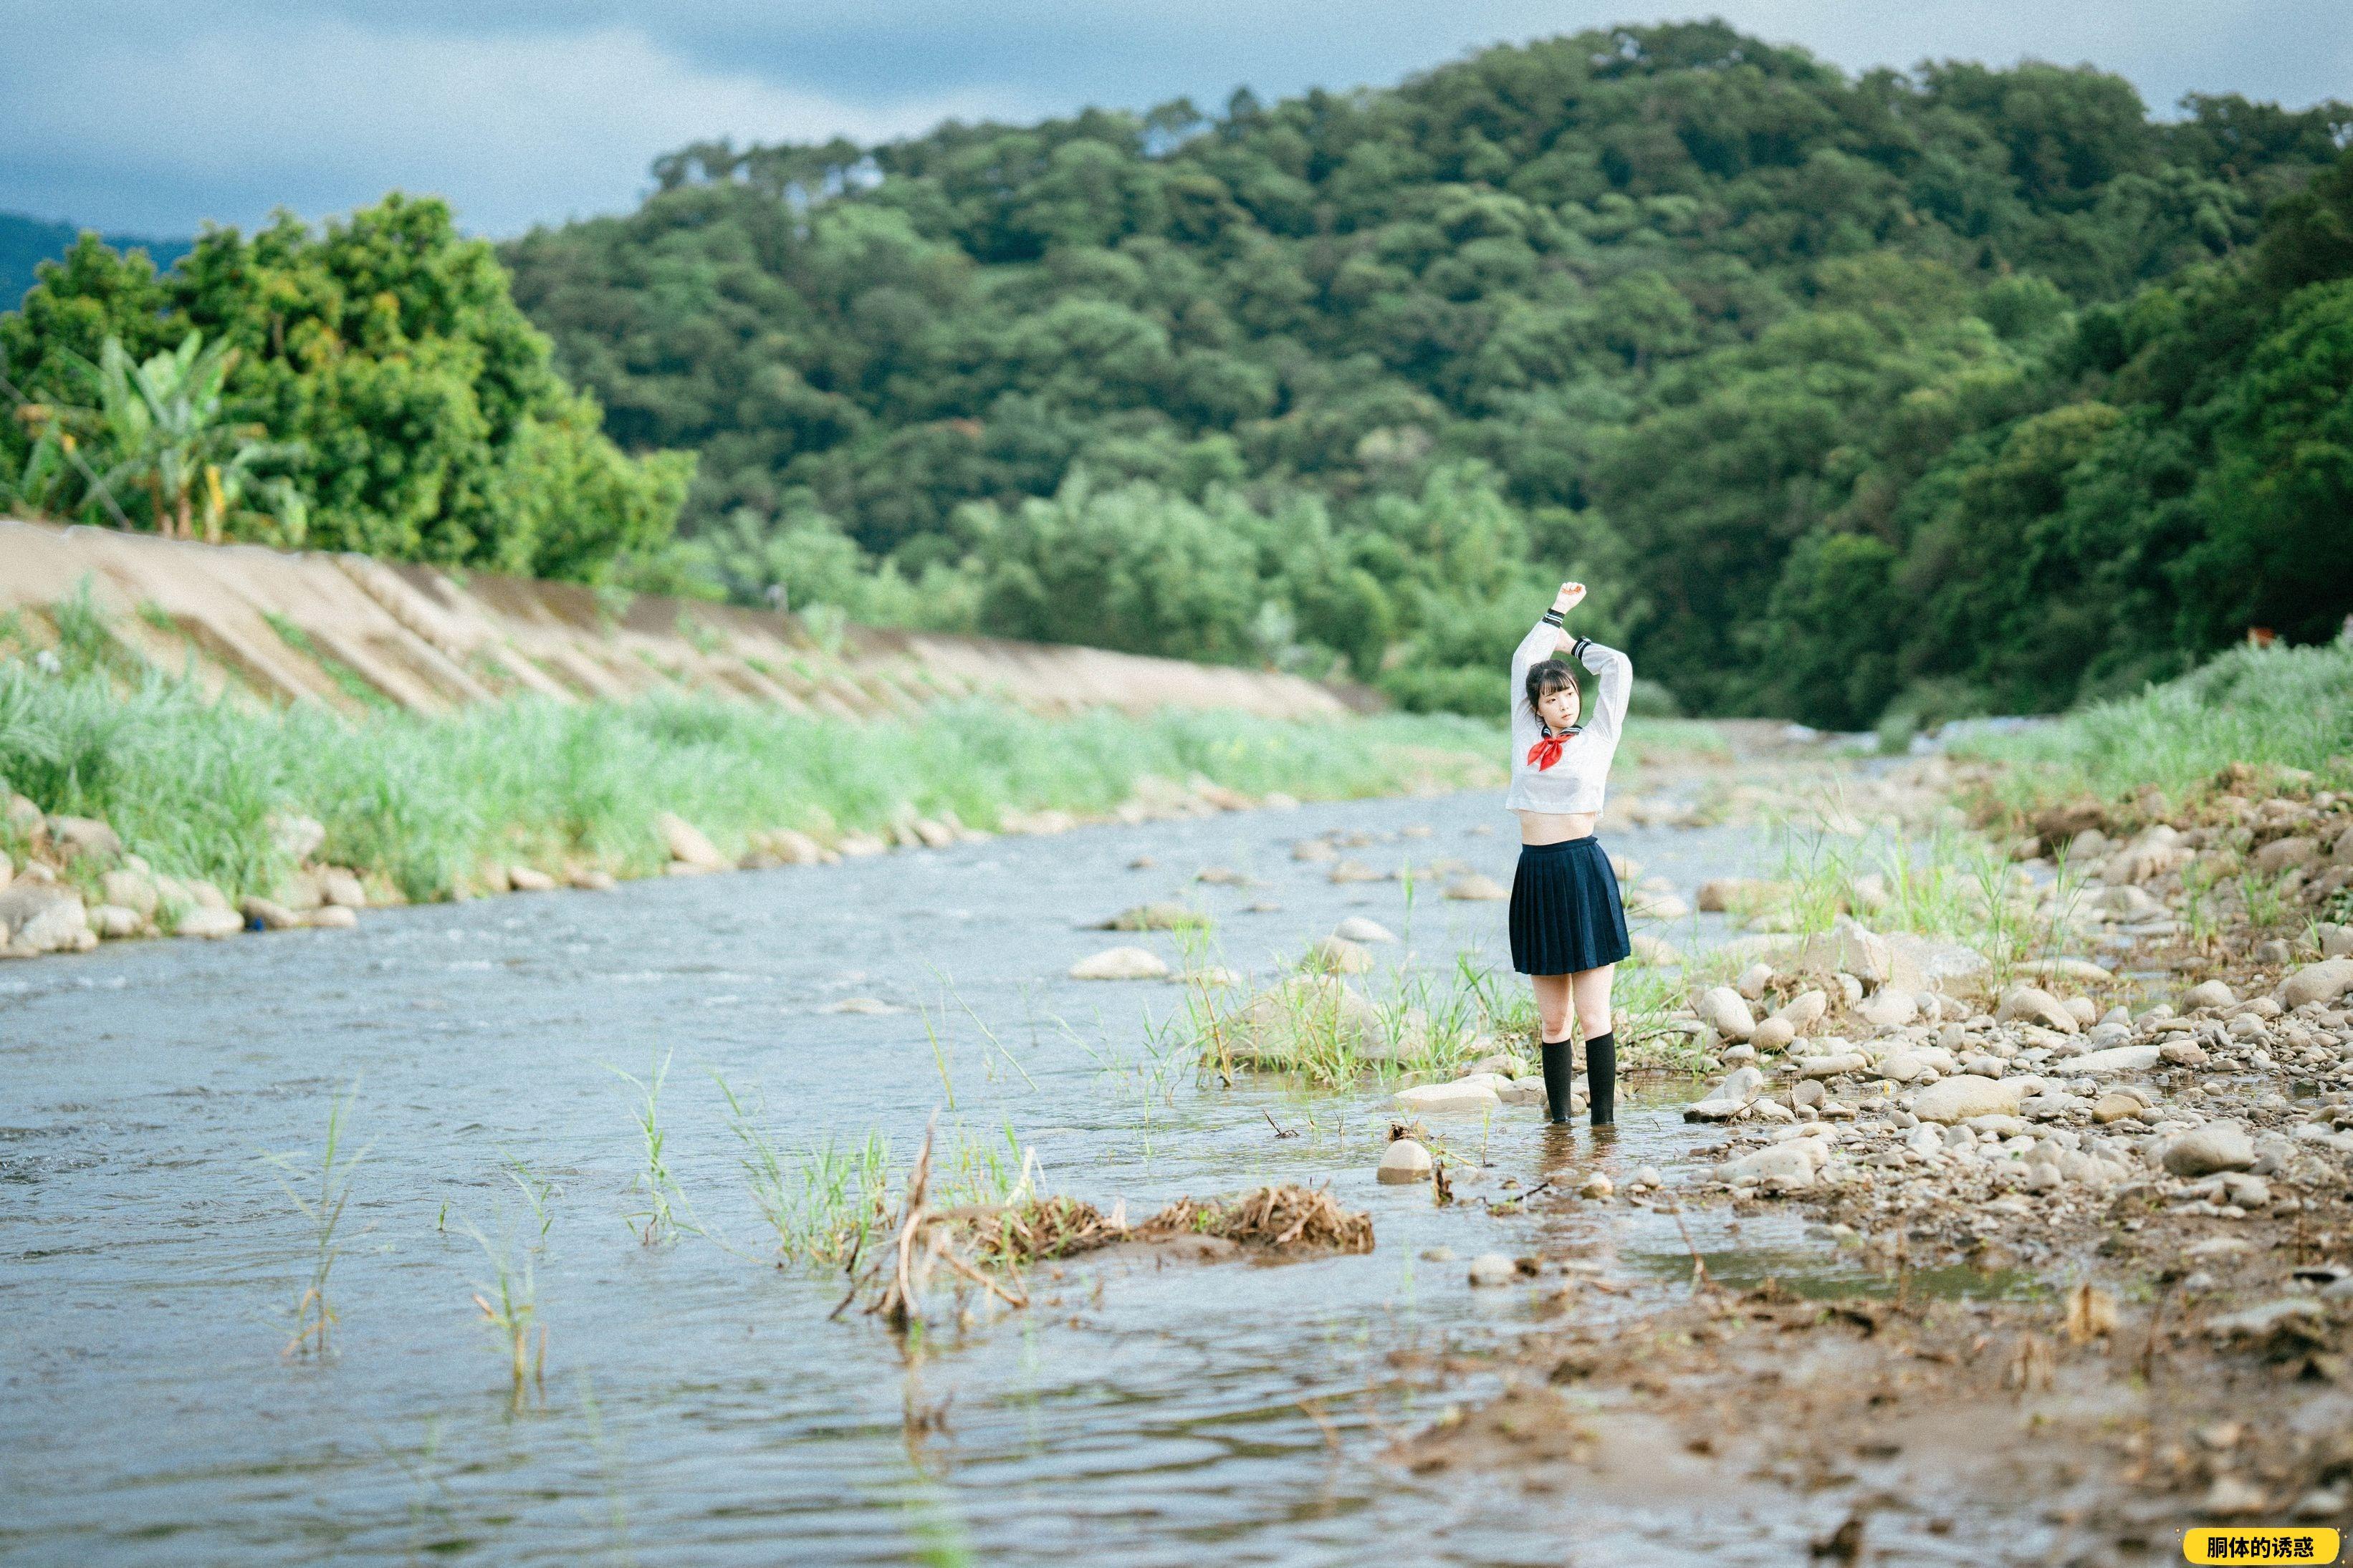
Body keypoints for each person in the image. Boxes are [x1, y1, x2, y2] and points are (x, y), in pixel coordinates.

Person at [1505, 580, 1634, 1127]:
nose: (1562, 702)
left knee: (1593, 1014)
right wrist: (1555, 611)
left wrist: (1573, 644)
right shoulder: (1523, 735)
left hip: (1582, 871)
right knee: (1553, 1022)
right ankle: (1558, 1129)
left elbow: (1620, 668)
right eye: (1551, 696)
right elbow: (1522, 659)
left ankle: (1603, 1126)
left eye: (1568, 693)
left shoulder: (1598, 736)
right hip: (1536, 874)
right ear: (1536, 706)